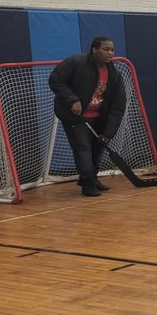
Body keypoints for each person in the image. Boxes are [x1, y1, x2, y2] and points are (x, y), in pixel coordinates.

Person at [48, 36, 127, 197]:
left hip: (100, 118)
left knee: (97, 150)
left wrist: (109, 131)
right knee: (83, 149)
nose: (110, 53)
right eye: (106, 49)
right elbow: (55, 80)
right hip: (76, 118)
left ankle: (92, 178)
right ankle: (88, 185)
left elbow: (118, 105)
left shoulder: (114, 73)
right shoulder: (76, 62)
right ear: (94, 49)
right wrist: (73, 99)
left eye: (112, 49)